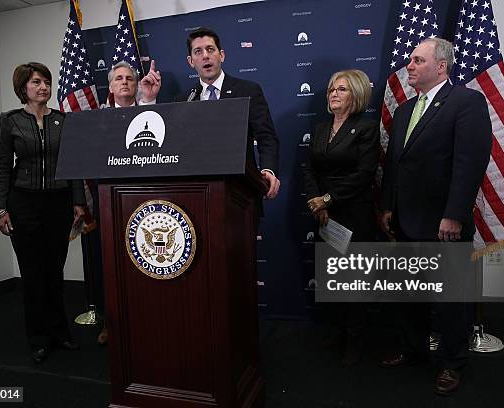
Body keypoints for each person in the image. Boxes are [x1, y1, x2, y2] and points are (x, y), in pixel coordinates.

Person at [379, 38, 492, 395]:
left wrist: (455, 214)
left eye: (417, 61)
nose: (409, 66)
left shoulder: (467, 103)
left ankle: (451, 363)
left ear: (440, 66)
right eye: (410, 60)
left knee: (450, 301)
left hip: (444, 223)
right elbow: (396, 165)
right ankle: (413, 350)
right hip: (405, 220)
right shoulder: (403, 111)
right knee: (410, 295)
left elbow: (469, 163)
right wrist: (387, 207)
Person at [0, 62, 86, 364]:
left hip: (58, 205)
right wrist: (1, 208)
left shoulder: (63, 120)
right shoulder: (11, 122)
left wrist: (78, 202)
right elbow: (3, 167)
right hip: (23, 205)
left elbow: (73, 165)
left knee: (54, 272)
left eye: (47, 81)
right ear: (23, 88)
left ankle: (60, 333)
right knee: (33, 275)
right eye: (36, 82)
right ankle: (38, 338)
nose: (44, 87)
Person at [141, 27, 279, 199]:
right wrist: (149, 100)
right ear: (191, 61)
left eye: (210, 49)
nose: (205, 56)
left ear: (221, 55)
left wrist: (267, 170)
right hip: (197, 195)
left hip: (242, 193)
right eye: (198, 51)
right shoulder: (184, 100)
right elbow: (169, 147)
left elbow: (266, 137)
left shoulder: (247, 90)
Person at [303, 69, 379, 365]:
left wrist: (328, 199)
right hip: (324, 215)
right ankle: (339, 331)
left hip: (354, 213)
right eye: (331, 89)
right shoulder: (320, 129)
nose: (333, 93)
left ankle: (356, 340)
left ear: (357, 95)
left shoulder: (366, 128)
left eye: (342, 89)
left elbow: (364, 174)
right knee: (333, 277)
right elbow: (309, 168)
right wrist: (319, 204)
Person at [91, 60, 161, 346]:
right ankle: (111, 323)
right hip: (109, 202)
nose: (124, 82)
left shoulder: (151, 113)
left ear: (136, 84)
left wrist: (150, 101)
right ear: (110, 86)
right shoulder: (99, 121)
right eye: (118, 78)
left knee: (144, 260)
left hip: (145, 198)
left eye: (129, 78)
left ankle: (147, 319)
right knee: (110, 264)